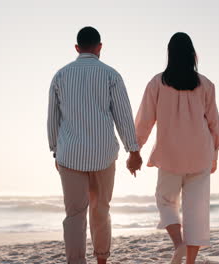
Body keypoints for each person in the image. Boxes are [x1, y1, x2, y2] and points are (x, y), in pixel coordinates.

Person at [47, 26, 142, 264]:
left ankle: (76, 261)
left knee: (74, 215)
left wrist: (55, 151)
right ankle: (102, 260)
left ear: (77, 48)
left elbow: (52, 119)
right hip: (103, 155)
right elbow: (123, 116)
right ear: (100, 47)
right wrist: (133, 150)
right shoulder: (111, 75)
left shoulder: (60, 76)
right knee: (101, 210)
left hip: (70, 156)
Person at [134, 32, 219, 264]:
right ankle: (190, 261)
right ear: (193, 55)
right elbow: (214, 123)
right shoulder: (206, 85)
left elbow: (144, 120)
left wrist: (136, 149)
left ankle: (178, 244)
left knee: (165, 200)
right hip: (200, 153)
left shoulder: (157, 83)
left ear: (170, 55)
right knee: (196, 211)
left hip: (170, 154)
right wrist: (215, 154)